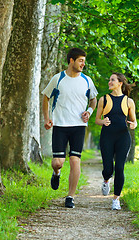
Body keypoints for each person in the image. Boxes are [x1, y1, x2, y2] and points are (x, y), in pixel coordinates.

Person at [41, 48, 98, 208]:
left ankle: (70, 197)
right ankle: (56, 173)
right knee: (58, 162)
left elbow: (93, 100)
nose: (83, 64)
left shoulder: (87, 80)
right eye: (80, 61)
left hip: (79, 126)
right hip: (60, 124)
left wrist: (89, 111)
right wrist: (47, 118)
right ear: (71, 60)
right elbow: (45, 97)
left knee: (75, 160)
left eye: (84, 62)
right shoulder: (57, 79)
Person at [95, 72, 137, 210]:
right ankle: (106, 180)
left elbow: (134, 121)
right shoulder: (104, 99)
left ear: (120, 83)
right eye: (109, 80)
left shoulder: (128, 101)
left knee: (119, 168)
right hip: (107, 137)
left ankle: (116, 200)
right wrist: (103, 121)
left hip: (123, 137)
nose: (109, 82)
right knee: (108, 169)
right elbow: (96, 120)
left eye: (112, 80)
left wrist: (133, 124)